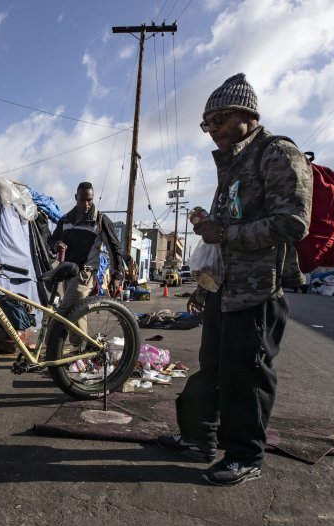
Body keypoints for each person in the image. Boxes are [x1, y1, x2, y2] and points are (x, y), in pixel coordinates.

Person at [157, 73, 312, 486]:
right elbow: (230, 228)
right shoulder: (234, 163)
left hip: (259, 292)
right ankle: (198, 439)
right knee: (212, 370)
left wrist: (224, 232)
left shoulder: (276, 153)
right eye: (207, 124)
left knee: (247, 376)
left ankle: (245, 456)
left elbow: (293, 223)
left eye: (218, 120)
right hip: (223, 290)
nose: (212, 131)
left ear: (245, 112)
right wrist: (205, 272)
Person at [48, 182, 124, 340]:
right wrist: (56, 244)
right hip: (68, 272)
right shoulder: (66, 219)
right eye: (83, 200)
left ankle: (49, 346)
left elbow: (114, 248)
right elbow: (52, 240)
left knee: (64, 311)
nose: (87, 204)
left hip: (85, 273)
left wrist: (117, 275)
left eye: (90, 200)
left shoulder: (100, 220)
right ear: (76, 198)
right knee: (78, 312)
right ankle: (80, 350)